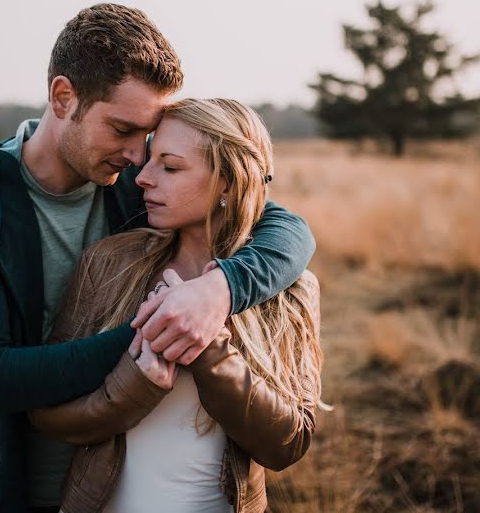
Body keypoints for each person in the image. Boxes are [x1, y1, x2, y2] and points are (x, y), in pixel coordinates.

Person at [0, 5, 316, 512]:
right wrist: (158, 331)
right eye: (123, 130)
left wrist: (217, 290)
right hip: (35, 486)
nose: (138, 157)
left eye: (149, 139)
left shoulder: (138, 183)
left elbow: (282, 225)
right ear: (64, 98)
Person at [29, 98, 323, 513]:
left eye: (169, 166)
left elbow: (288, 445)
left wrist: (209, 349)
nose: (142, 179)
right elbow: (45, 412)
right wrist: (135, 385)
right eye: (149, 160)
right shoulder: (109, 263)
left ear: (227, 182)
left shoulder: (288, 288)